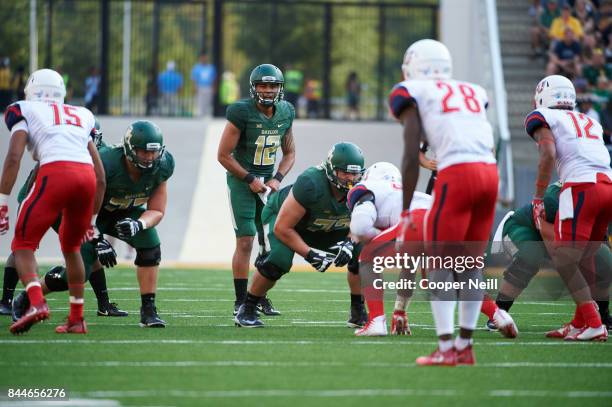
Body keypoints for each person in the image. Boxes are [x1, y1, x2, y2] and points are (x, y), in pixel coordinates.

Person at [390, 39, 498, 366]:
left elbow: (411, 155)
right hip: (490, 173)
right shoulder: (474, 91)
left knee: (439, 264)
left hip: (458, 175)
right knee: (469, 265)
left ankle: (446, 348)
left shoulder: (411, 91)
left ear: (412, 66)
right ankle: (465, 345)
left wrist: (407, 209)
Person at [0, 68, 106, 334]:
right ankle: (77, 318)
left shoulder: (23, 109)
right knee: (71, 247)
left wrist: (2, 200)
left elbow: (14, 157)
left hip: (55, 172)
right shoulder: (82, 114)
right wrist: (92, 221)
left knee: (22, 243)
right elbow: (101, 175)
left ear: (30, 91)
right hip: (87, 178)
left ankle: (36, 302)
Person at [0, 119, 126, 319]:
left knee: (87, 248)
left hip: (65, 204)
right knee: (25, 246)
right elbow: (37, 172)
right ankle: (6, 301)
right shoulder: (63, 150)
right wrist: (27, 202)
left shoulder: (97, 156)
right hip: (40, 197)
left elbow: (97, 183)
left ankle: (104, 305)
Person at [234, 142, 367, 328]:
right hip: (286, 221)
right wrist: (310, 255)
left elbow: (362, 220)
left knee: (362, 253)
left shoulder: (363, 188)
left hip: (325, 227)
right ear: (330, 170)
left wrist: (350, 242)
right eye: (345, 173)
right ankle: (247, 309)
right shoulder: (311, 183)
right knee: (279, 260)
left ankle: (357, 311)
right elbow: (283, 227)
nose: (351, 178)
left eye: (355, 173)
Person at [525, 74, 611, 341]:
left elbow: (548, 153)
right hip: (608, 186)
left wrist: (538, 196)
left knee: (564, 257)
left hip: (581, 188)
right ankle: (580, 322)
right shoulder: (590, 121)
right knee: (586, 256)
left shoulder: (541, 116)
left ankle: (595, 322)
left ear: (542, 97)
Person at [217, 64, 296, 317]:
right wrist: (249, 177)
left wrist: (277, 178)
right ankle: (240, 301)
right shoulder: (241, 112)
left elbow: (290, 152)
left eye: (273, 85)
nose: (268, 90)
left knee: (268, 244)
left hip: (267, 186)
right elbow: (223, 155)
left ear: (280, 88)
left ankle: (258, 297)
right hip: (242, 181)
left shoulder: (285, 112)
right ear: (254, 87)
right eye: (263, 85)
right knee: (246, 240)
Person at [482, 182, 612, 332]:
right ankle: (498, 313)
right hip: (520, 228)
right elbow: (555, 250)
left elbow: (598, 240)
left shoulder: (600, 196)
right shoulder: (554, 199)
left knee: (605, 260)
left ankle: (602, 314)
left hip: (561, 239)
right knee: (531, 256)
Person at [347, 162, 432, 336]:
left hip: (416, 221)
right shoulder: (410, 193)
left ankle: (376, 320)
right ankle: (498, 315)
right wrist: (400, 311)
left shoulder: (366, 188)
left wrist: (375, 235)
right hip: (445, 223)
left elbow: (361, 227)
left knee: (367, 257)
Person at [191, 52, 217, 117]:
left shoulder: (211, 67)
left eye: (205, 58)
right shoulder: (196, 68)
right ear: (200, 58)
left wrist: (214, 88)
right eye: (202, 58)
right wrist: (194, 87)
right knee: (200, 102)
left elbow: (214, 79)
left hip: (208, 87)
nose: (203, 59)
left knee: (208, 102)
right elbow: (194, 79)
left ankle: (206, 114)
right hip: (200, 87)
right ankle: (200, 115)